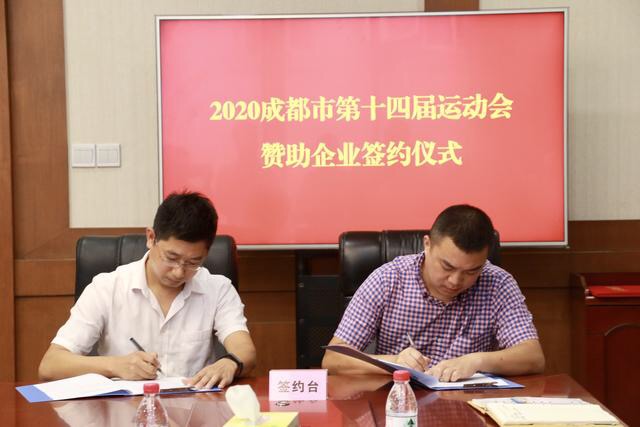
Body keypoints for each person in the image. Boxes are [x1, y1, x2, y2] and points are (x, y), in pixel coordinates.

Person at [39, 191, 256, 389]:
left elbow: (244, 349)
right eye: (171, 258)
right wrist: (115, 366)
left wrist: (230, 362)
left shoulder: (218, 289)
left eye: (193, 262)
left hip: (194, 408)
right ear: (151, 238)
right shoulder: (107, 288)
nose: (179, 272)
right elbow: (51, 365)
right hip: (124, 410)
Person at [322, 204, 545, 381]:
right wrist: (394, 362)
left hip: (468, 406)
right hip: (400, 405)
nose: (455, 281)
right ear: (427, 245)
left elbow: (533, 357)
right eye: (447, 267)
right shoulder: (388, 280)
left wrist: (476, 361)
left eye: (471, 271)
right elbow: (333, 359)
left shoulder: (497, 283)